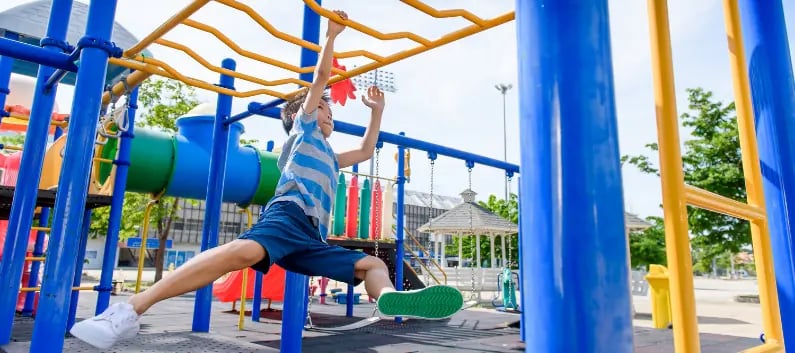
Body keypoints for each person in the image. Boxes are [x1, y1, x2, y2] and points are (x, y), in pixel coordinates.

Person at [70, 9, 463, 350]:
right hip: (289, 215)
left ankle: (391, 299)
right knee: (241, 254)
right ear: (303, 115)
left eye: (327, 112)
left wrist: (377, 111)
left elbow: (363, 151)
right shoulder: (304, 130)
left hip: (312, 236)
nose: (329, 115)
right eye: (324, 109)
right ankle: (129, 309)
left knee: (371, 265)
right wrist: (330, 38)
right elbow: (321, 77)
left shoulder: (329, 155)